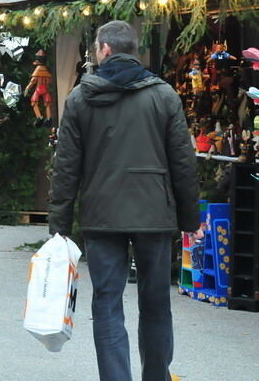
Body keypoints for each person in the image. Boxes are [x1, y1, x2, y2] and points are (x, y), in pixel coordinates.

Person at [50, 20, 200, 381]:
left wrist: (59, 225)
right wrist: (190, 221)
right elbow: (183, 162)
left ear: (104, 50)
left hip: (102, 215)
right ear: (134, 51)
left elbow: (66, 166)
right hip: (154, 213)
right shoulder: (164, 95)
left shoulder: (81, 98)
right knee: (155, 304)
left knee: (107, 304)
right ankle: (156, 376)